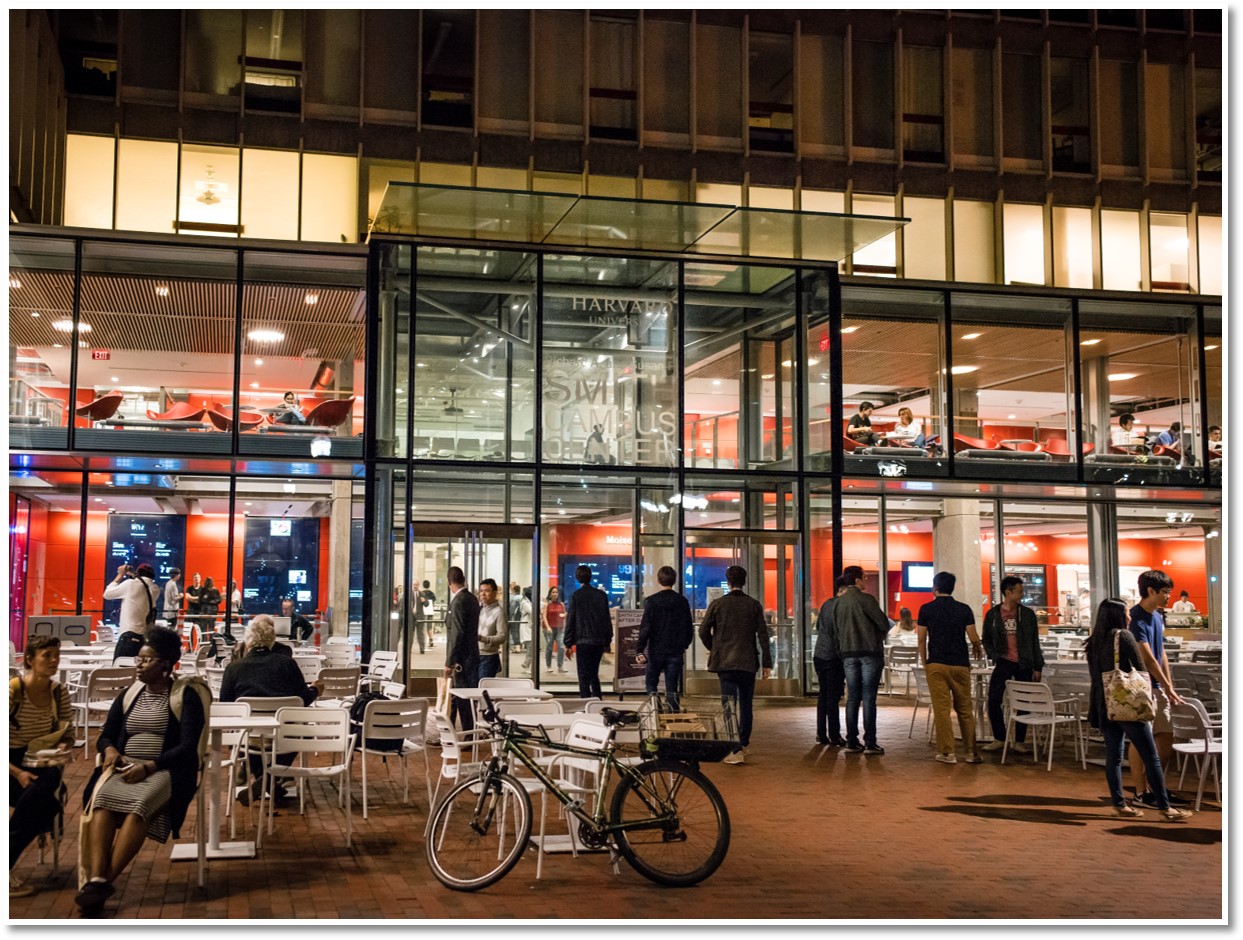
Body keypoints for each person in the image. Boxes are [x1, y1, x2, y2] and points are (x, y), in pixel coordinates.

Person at [75, 627, 206, 914]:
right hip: (125, 766)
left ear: (165, 665)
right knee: (101, 804)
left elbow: (187, 747)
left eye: (147, 660)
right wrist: (109, 750)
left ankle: (101, 884)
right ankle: (97, 877)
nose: (139, 663)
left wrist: (149, 767)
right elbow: (106, 734)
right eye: (139, 659)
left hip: (163, 769)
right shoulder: (129, 694)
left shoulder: (185, 697)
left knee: (139, 807)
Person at [1084, 598, 1191, 821]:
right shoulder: (1124, 636)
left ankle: (1119, 804)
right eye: (1126, 613)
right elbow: (1141, 670)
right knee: (1150, 755)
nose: (1130, 617)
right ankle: (1164, 807)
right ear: (1118, 615)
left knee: (1113, 756)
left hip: (1105, 704)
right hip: (1127, 704)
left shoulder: (1094, 640)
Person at [219, 615, 320, 803]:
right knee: (304, 730)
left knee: (250, 735)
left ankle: (263, 779)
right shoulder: (287, 664)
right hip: (285, 736)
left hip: (247, 737)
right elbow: (302, 700)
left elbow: (227, 706)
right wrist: (315, 689)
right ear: (272, 640)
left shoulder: (233, 668)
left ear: (248, 642)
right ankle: (270, 779)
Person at [9, 635, 75, 898]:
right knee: (45, 804)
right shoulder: (13, 691)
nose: (53, 660)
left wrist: (64, 744)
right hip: (10, 763)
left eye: (56, 655)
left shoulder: (58, 692)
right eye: (46, 655)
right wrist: (18, 773)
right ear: (29, 660)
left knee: (46, 783)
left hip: (42, 759)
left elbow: (68, 732)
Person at [1126, 570, 1191, 809]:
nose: (1168, 597)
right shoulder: (1135, 617)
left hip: (1157, 686)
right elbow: (1147, 657)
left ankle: (1156, 787)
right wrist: (1165, 685)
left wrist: (1169, 686)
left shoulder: (1156, 617)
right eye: (1165, 592)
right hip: (1140, 684)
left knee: (1165, 736)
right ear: (1150, 591)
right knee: (1140, 738)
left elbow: (1160, 652)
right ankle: (1140, 792)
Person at [697, 565, 772, 766]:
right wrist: (767, 663)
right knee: (746, 704)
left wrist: (714, 648)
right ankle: (743, 741)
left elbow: (703, 631)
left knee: (728, 704)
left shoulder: (717, 604)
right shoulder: (754, 605)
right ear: (744, 581)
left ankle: (732, 745)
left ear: (728, 582)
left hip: (725, 663)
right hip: (748, 661)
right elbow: (763, 636)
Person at [917, 571, 984, 765]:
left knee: (942, 709)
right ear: (952, 587)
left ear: (935, 588)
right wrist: (977, 648)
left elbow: (921, 639)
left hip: (937, 664)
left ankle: (948, 753)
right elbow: (973, 637)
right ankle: (971, 753)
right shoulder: (964, 609)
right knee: (964, 708)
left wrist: (925, 661)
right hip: (960, 664)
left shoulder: (926, 609)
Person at [980, 576, 1044, 753]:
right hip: (1003, 662)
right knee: (993, 699)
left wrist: (1038, 666)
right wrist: (994, 655)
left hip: (1024, 663)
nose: (1022, 594)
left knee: (1023, 701)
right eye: (1019, 591)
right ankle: (999, 738)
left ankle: (1019, 741)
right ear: (1008, 592)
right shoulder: (993, 615)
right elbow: (985, 638)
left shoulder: (1028, 614)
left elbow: (1034, 641)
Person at [832, 565, 890, 756]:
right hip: (869, 653)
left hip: (848, 654)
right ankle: (870, 742)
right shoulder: (867, 600)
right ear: (857, 580)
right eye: (864, 577)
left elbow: (835, 631)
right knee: (869, 697)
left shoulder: (838, 603)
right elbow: (883, 623)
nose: (866, 580)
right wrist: (877, 636)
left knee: (852, 697)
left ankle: (850, 740)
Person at [635, 566, 694, 711]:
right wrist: (684, 645)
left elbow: (646, 628)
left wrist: (639, 649)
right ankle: (674, 719)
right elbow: (688, 627)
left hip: (656, 650)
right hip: (675, 651)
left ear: (658, 580)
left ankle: (657, 711)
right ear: (674, 581)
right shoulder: (682, 601)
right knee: (672, 687)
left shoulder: (651, 601)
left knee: (651, 684)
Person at [563, 565, 612, 699]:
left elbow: (571, 619)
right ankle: (597, 700)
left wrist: (568, 643)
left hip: (583, 641)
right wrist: (607, 640)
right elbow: (606, 619)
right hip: (598, 640)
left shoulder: (576, 596)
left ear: (578, 578)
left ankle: (586, 702)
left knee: (583, 675)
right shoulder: (601, 595)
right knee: (594, 673)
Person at [813, 576, 850, 746]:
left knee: (823, 695)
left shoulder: (826, 604)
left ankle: (821, 733)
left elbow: (820, 627)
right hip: (833, 657)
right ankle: (835, 735)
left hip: (820, 654)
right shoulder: (840, 606)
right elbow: (838, 633)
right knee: (833, 697)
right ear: (843, 590)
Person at [443, 566, 480, 732]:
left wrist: (449, 661)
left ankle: (467, 733)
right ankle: (454, 729)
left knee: (462, 696)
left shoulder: (458, 601)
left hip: (461, 659)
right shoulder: (472, 598)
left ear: (450, 582)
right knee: (461, 696)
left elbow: (457, 633)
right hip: (472, 654)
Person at [105, 564, 161, 662]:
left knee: (119, 671)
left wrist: (120, 575)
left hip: (128, 635)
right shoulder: (155, 589)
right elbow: (142, 584)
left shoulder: (130, 584)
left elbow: (107, 594)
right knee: (135, 670)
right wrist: (134, 574)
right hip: (143, 637)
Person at [475, 579, 505, 680]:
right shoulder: (480, 609)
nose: (483, 594)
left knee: (482, 689)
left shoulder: (499, 612)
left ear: (495, 593)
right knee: (474, 688)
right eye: (481, 591)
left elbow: (502, 637)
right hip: (475, 654)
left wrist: (482, 638)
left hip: (489, 657)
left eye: (487, 591)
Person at [542, 586, 568, 674]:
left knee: (561, 646)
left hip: (559, 628)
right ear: (550, 594)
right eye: (553, 592)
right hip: (549, 628)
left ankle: (560, 666)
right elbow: (544, 616)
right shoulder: (547, 604)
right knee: (549, 647)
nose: (555, 594)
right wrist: (548, 627)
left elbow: (564, 614)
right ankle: (548, 666)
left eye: (556, 592)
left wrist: (565, 615)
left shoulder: (561, 604)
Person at [507, 582, 524, 652]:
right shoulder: (523, 598)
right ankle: (520, 646)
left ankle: (517, 646)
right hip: (522, 617)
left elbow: (511, 610)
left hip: (515, 618)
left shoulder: (514, 599)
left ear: (513, 590)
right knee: (520, 631)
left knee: (515, 631)